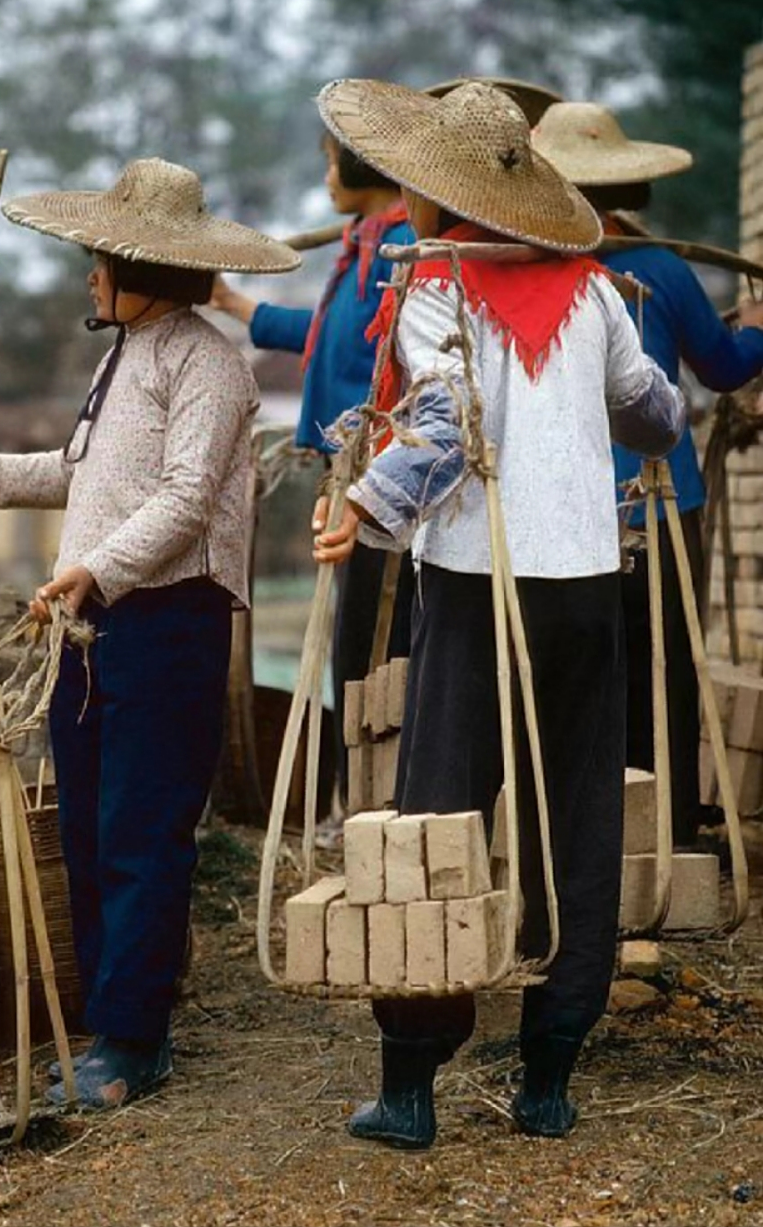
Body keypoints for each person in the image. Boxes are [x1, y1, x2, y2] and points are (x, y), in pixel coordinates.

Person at [311, 78, 686, 1147]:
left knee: (439, 816)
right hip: (581, 585)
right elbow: (654, 414)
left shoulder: (435, 290)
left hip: (478, 591)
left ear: (440, 197)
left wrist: (364, 509)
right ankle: (549, 1074)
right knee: (577, 816)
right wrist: (634, 403)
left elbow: (439, 423)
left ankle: (411, 1085)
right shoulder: (597, 290)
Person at [0, 158, 299, 1109]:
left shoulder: (207, 360)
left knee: (140, 830)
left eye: (100, 262)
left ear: (144, 273)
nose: (89, 277)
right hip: (95, 627)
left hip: (167, 623)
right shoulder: (124, 351)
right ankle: (108, 1021)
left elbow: (186, 498)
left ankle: (134, 1040)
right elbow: (84, 475)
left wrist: (97, 572)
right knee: (85, 827)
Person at [533, 102, 763, 849]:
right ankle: (668, 831)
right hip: (660, 504)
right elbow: (723, 370)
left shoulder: (538, 271)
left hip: (567, 511)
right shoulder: (660, 270)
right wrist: (756, 326)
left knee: (581, 670)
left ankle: (590, 832)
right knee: (664, 666)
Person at [210, 133, 416, 810]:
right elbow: (331, 334)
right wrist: (235, 305)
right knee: (349, 643)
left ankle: (379, 800)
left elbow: (389, 347)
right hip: (345, 469)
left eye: (333, 161)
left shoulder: (405, 244)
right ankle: (352, 801)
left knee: (378, 642)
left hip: (389, 476)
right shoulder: (360, 239)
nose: (326, 176)